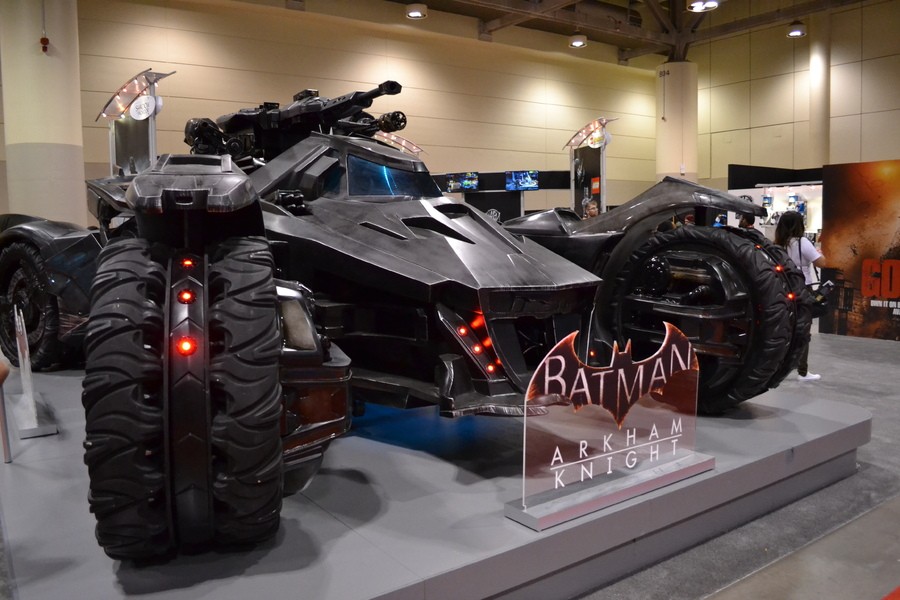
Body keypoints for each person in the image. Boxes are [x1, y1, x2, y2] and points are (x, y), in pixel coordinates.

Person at [775, 211, 826, 382]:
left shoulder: (777, 244)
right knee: (803, 330)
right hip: (802, 290)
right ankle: (802, 371)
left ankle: (778, 367)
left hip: (781, 289)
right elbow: (821, 263)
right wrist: (819, 252)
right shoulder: (802, 242)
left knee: (785, 328)